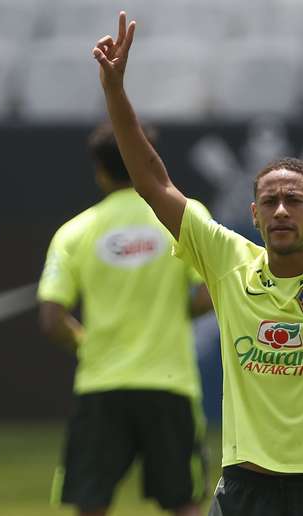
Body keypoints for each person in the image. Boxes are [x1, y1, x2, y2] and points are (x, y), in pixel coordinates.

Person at [91, 12, 303, 515]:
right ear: (252, 213)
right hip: (244, 491)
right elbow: (152, 181)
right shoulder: (226, 260)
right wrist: (115, 91)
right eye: (270, 200)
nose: (281, 210)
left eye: (294, 200)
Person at [37, 122, 213, 516]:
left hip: (101, 384)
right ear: (148, 160)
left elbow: (52, 320)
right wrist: (174, 313)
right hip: (169, 382)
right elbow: (210, 290)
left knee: (91, 502)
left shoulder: (74, 232)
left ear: (99, 171)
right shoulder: (183, 216)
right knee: (183, 501)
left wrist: (87, 344)